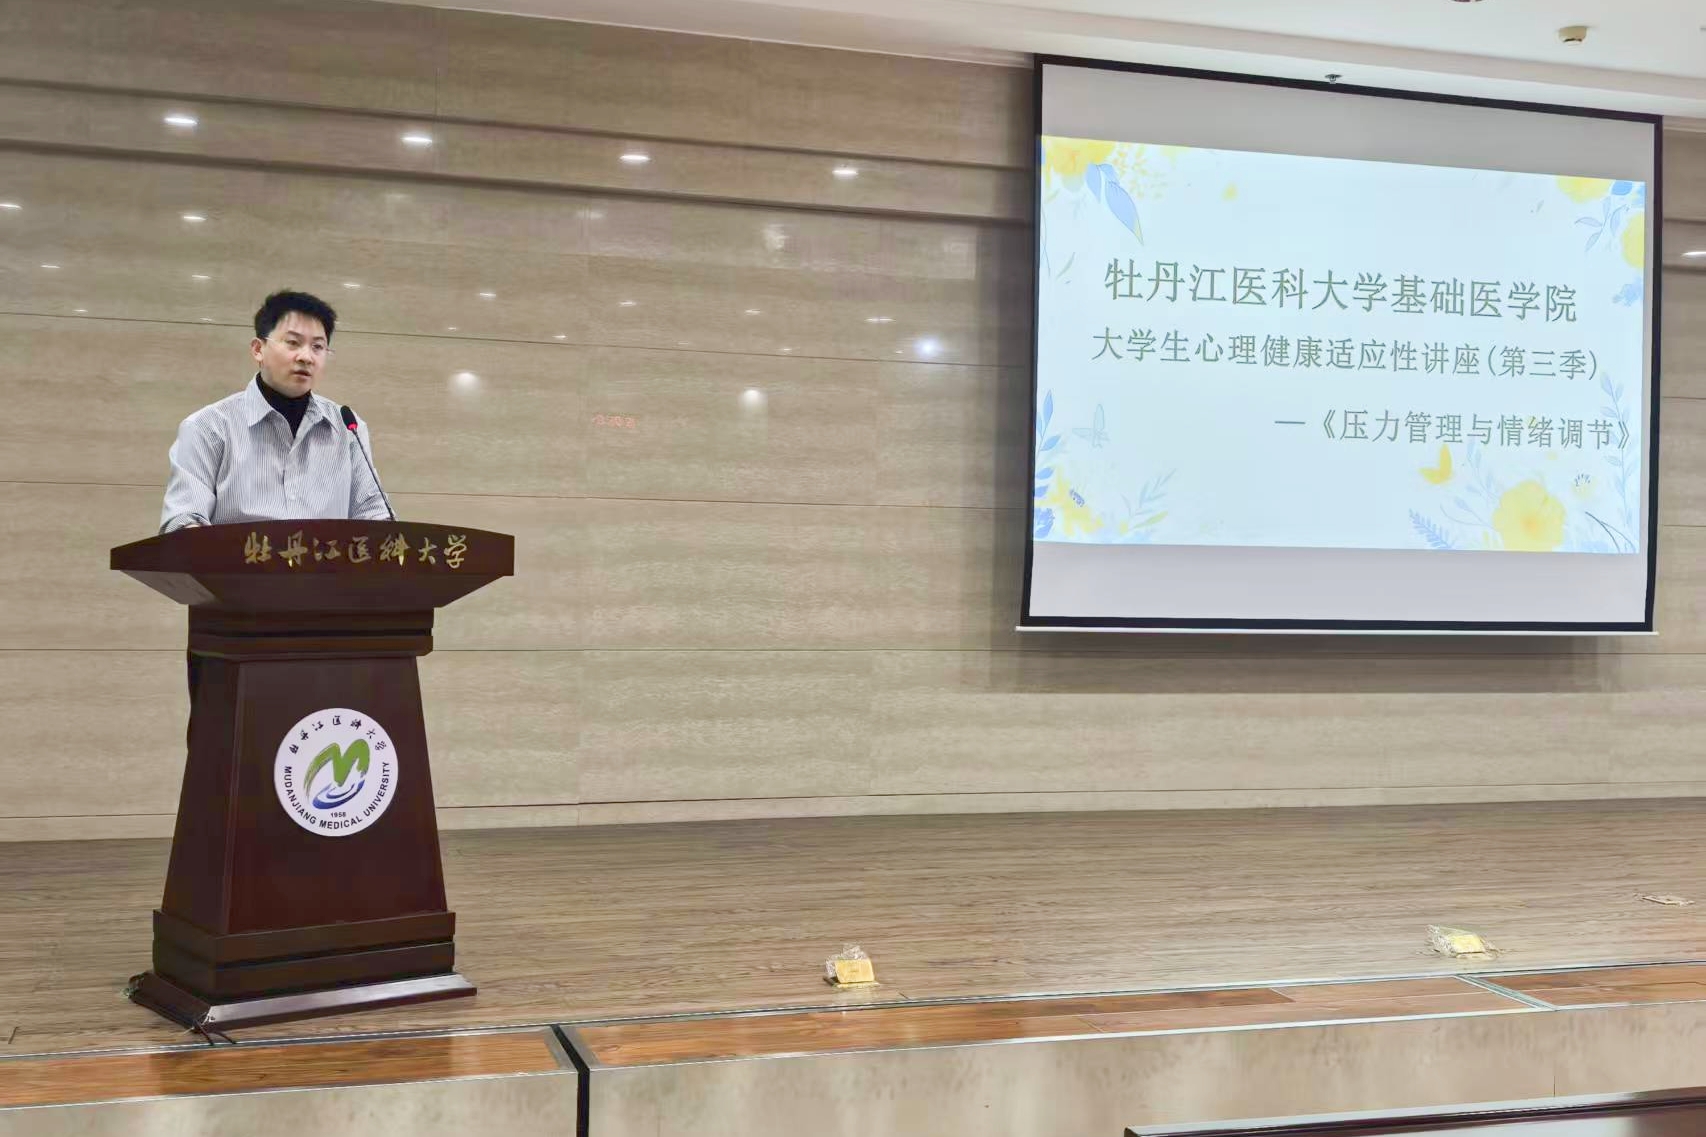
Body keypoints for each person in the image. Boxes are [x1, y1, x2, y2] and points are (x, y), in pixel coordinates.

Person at [159, 289, 389, 533]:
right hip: (235, 559)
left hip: (327, 559)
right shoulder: (208, 427)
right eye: (293, 343)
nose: (306, 357)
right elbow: (183, 519)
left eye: (318, 347)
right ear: (258, 349)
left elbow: (375, 515)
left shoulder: (347, 428)